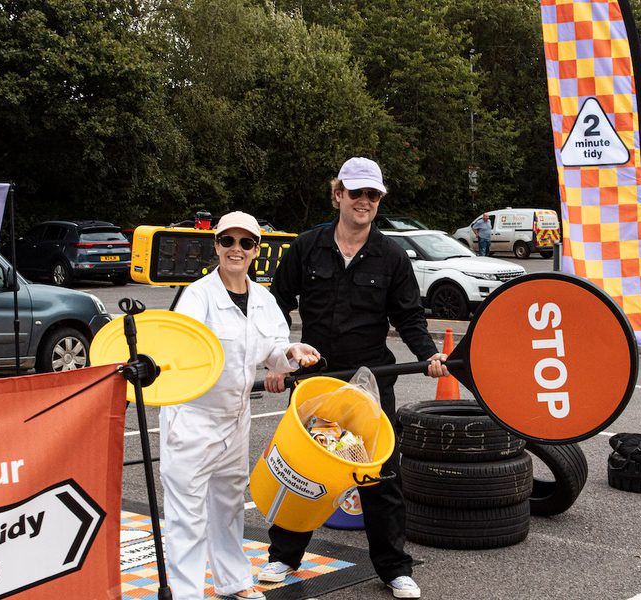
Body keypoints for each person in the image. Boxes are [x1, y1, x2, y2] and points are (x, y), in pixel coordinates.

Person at [261, 157, 448, 600]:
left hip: (369, 381)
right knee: (302, 473)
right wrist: (277, 358)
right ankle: (284, 557)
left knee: (380, 476)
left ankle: (393, 568)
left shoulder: (392, 256)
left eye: (372, 195)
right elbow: (274, 306)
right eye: (356, 192)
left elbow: (409, 317)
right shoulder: (306, 247)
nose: (364, 201)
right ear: (338, 194)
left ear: (379, 200)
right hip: (314, 380)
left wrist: (429, 355)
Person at [164, 211, 321, 600]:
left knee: (229, 503)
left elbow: (272, 351)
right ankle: (185, 594)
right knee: (187, 513)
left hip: (236, 418)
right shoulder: (197, 296)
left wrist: (291, 352)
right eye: (228, 241)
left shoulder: (265, 299)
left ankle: (233, 582)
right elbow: (181, 352)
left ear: (256, 250)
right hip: (193, 418)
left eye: (245, 243)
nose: (236, 249)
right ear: (216, 245)